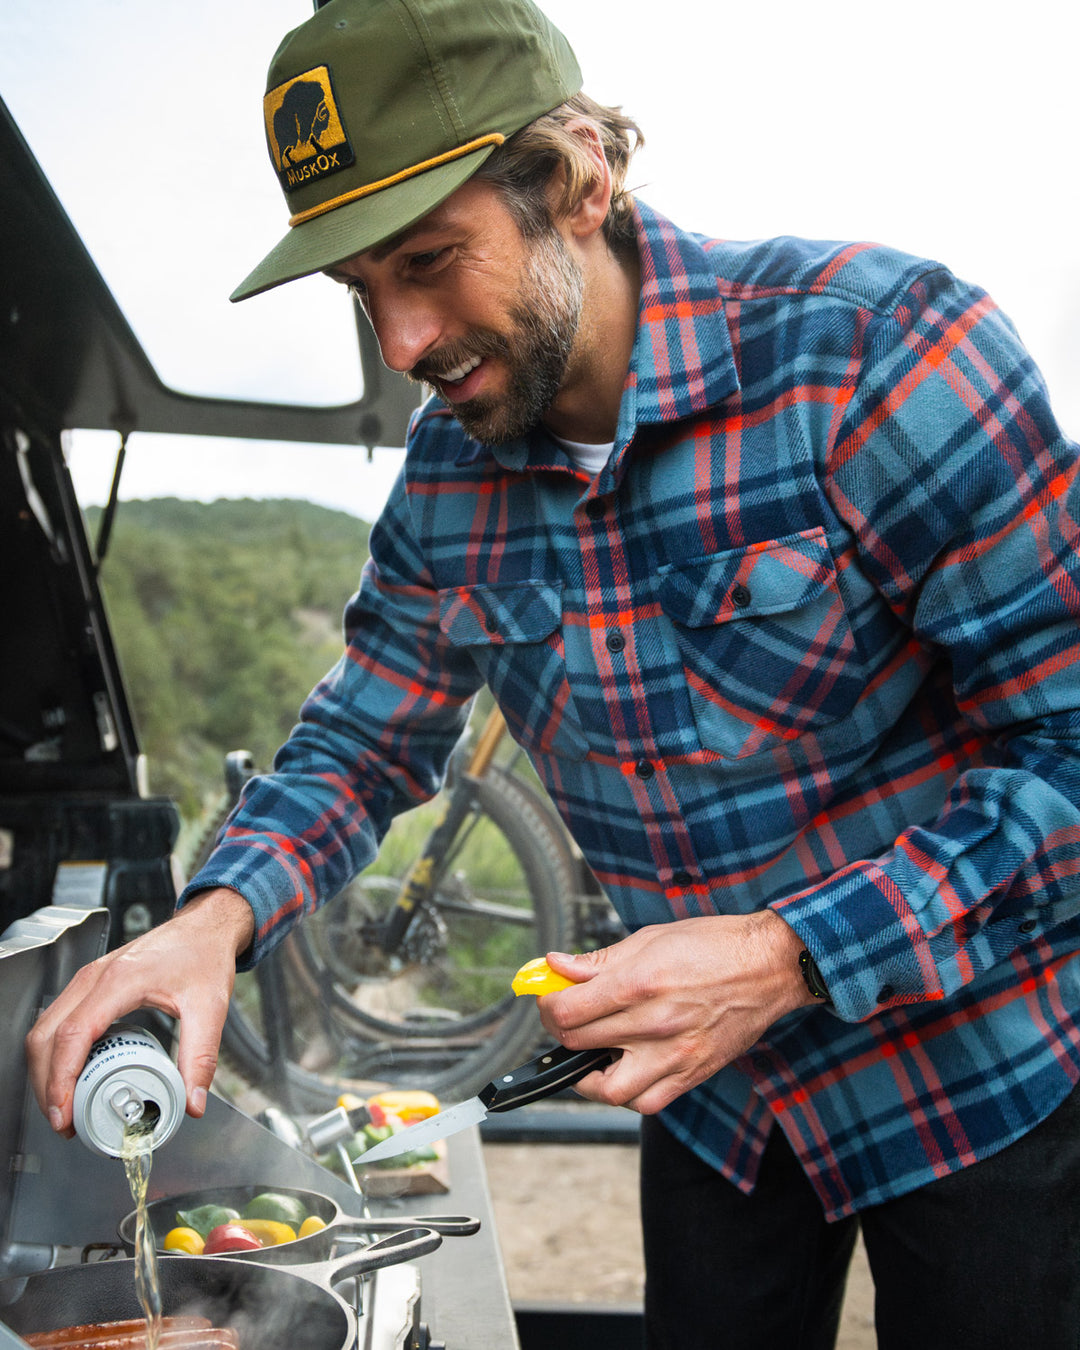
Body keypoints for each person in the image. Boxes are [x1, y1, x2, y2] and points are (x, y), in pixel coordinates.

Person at [26, 1, 1080, 1345]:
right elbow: (360, 744)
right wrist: (211, 917)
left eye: (430, 260)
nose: (403, 340)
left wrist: (787, 954)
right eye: (364, 291)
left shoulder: (884, 357)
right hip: (713, 1111)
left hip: (975, 1069)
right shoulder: (445, 485)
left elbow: (1066, 749)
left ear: (578, 179)